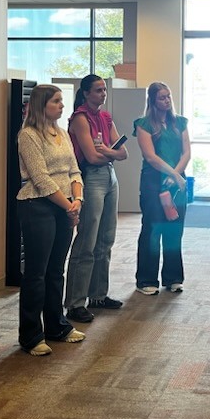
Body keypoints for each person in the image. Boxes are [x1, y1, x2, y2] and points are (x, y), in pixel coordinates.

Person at [16, 85, 86, 353]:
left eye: (61, 101)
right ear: (41, 105)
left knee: (56, 269)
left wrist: (77, 200)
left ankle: (57, 326)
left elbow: (74, 170)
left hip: (64, 206)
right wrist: (69, 205)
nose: (61, 105)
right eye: (56, 101)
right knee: (36, 273)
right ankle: (31, 336)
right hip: (37, 206)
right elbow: (40, 178)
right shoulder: (28, 135)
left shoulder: (63, 133)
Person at [65, 74, 128, 322]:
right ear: (86, 93)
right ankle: (75, 302)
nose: (103, 94)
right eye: (98, 90)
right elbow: (91, 157)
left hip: (110, 176)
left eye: (104, 90)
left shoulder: (105, 116)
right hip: (91, 177)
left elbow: (124, 152)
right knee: (87, 241)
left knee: (106, 239)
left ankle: (98, 295)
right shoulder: (80, 118)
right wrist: (110, 153)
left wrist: (108, 152)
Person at [132, 82, 191, 294]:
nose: (166, 101)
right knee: (153, 228)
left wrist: (176, 174)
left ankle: (173, 277)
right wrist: (173, 174)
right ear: (152, 100)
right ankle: (146, 280)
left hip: (177, 183)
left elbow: (186, 153)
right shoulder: (143, 124)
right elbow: (150, 156)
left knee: (174, 229)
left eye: (168, 96)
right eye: (161, 98)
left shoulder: (180, 122)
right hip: (153, 181)